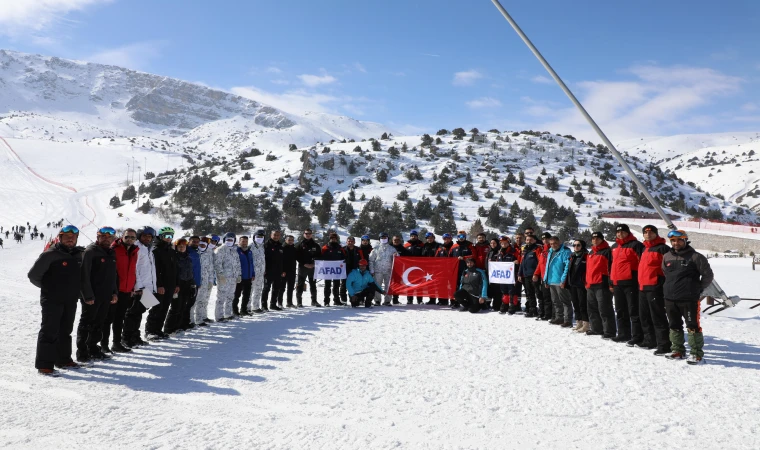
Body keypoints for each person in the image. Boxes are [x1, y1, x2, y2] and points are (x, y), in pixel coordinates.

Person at [28, 225, 84, 375]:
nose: (70, 239)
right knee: (50, 330)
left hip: (71, 299)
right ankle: (45, 364)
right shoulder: (50, 254)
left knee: (65, 330)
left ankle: (63, 359)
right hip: (52, 299)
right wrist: (49, 288)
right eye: (66, 237)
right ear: (60, 238)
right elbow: (33, 276)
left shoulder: (78, 255)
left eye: (73, 237)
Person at [662, 230, 713, 364]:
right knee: (674, 325)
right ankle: (678, 350)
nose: (676, 243)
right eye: (673, 241)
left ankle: (696, 354)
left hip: (689, 299)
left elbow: (708, 276)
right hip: (670, 298)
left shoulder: (696, 257)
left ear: (685, 240)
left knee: (692, 325)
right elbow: (665, 273)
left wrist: (698, 288)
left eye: (679, 240)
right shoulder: (667, 256)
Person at [77, 226, 118, 361]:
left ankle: (93, 348)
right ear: (98, 237)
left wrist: (114, 292)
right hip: (92, 296)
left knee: (99, 323)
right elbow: (84, 275)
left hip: (105, 295)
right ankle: (82, 352)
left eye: (109, 237)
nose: (106, 239)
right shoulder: (91, 251)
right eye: (103, 236)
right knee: (87, 323)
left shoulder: (111, 252)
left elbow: (113, 276)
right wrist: (87, 295)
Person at [102, 229, 139, 353]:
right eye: (127, 237)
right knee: (108, 319)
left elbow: (133, 271)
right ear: (122, 237)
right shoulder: (114, 249)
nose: (130, 239)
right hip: (114, 290)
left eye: (132, 238)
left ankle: (116, 343)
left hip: (127, 290)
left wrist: (133, 288)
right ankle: (104, 345)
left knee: (120, 318)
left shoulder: (134, 251)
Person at [637, 225, 671, 354]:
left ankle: (664, 344)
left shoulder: (663, 248)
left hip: (655, 287)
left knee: (658, 316)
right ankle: (649, 340)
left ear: (656, 234)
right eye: (645, 232)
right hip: (642, 286)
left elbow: (668, 269)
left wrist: (662, 284)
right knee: (644, 316)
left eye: (651, 232)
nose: (648, 234)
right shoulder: (645, 249)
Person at [610, 224, 645, 345]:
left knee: (633, 311)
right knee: (620, 310)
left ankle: (637, 336)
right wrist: (611, 282)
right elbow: (611, 265)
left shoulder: (636, 245)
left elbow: (642, 263)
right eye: (618, 232)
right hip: (617, 282)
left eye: (622, 232)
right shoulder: (614, 247)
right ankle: (623, 334)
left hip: (631, 282)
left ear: (628, 232)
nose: (620, 234)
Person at [122, 227, 156, 347]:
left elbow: (151, 270)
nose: (147, 238)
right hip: (139, 288)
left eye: (149, 237)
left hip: (147, 286)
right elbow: (134, 269)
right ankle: (126, 338)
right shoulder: (137, 248)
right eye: (145, 236)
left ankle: (135, 336)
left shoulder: (148, 249)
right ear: (140, 236)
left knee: (139, 312)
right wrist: (138, 287)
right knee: (132, 313)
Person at [144, 227, 179, 340]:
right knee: (156, 308)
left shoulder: (172, 251)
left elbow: (175, 269)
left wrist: (176, 284)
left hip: (170, 284)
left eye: (170, 236)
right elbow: (155, 270)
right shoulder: (156, 250)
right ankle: (150, 331)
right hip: (160, 285)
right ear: (160, 236)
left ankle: (158, 330)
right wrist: (159, 285)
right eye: (166, 235)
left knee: (165, 308)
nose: (169, 238)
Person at [585, 231, 616, 339]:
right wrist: (586, 282)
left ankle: (609, 331)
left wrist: (610, 283)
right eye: (593, 239)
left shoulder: (607, 251)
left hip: (602, 284)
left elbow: (611, 268)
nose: (595, 240)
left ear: (602, 239)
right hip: (590, 284)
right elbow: (588, 269)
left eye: (597, 238)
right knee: (592, 309)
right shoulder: (590, 253)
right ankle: (596, 328)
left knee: (604, 309)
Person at [165, 238, 194, 334]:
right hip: (177, 284)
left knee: (183, 306)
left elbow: (190, 271)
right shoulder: (174, 257)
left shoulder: (188, 257)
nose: (182, 248)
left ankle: (179, 325)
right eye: (180, 246)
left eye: (183, 246)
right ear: (176, 247)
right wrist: (175, 284)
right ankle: (169, 328)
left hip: (187, 283)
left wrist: (192, 283)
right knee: (175, 307)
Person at [544, 236, 571, 327]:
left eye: (555, 243)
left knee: (565, 301)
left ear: (559, 242)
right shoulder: (550, 252)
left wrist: (563, 280)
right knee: (555, 301)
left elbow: (567, 267)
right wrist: (546, 280)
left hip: (560, 281)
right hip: (551, 280)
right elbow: (547, 267)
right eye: (551, 244)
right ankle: (559, 318)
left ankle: (568, 320)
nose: (553, 245)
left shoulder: (565, 252)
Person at [214, 232, 242, 322]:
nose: (230, 241)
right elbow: (217, 264)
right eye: (228, 239)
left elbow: (238, 264)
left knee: (230, 296)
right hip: (224, 278)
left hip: (233, 278)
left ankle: (228, 314)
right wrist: (220, 275)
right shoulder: (220, 250)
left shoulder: (234, 250)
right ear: (224, 240)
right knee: (221, 297)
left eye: (231, 240)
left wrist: (238, 275)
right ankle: (219, 316)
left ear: (234, 241)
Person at [368, 232, 398, 306]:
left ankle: (387, 301)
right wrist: (371, 269)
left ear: (388, 239)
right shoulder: (376, 248)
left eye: (385, 238)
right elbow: (371, 260)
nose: (384, 239)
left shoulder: (392, 249)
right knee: (378, 285)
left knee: (388, 286)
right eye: (382, 238)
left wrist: (396, 255)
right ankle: (377, 301)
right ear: (379, 239)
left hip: (388, 271)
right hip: (378, 271)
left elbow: (398, 259)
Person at [191, 237, 215, 326]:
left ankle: (200, 319)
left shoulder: (207, 254)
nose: (202, 246)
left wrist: (210, 280)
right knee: (193, 301)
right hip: (195, 281)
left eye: (204, 245)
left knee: (202, 300)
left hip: (205, 282)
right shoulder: (194, 253)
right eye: (200, 244)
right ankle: (191, 320)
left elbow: (210, 268)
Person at [567, 239, 589, 333]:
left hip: (581, 284)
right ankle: (578, 322)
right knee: (575, 303)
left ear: (582, 246)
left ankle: (586, 324)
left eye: (578, 245)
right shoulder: (572, 256)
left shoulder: (586, 256)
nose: (576, 247)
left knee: (582, 304)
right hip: (572, 284)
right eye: (574, 245)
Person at [517, 233, 542, 317]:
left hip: (535, 276)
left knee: (539, 293)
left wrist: (537, 274)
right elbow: (522, 262)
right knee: (529, 294)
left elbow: (540, 263)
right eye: (527, 240)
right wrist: (520, 274)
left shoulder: (537, 249)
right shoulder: (525, 250)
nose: (529, 241)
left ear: (534, 240)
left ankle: (542, 311)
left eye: (531, 240)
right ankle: (532, 310)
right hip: (526, 275)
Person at [296, 229, 322, 307]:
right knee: (300, 285)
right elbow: (297, 256)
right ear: (304, 234)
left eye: (309, 233)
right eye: (306, 233)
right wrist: (304, 264)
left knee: (313, 285)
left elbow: (319, 256)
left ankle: (314, 301)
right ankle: (299, 302)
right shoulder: (299, 244)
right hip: (303, 268)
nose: (308, 235)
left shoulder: (316, 245)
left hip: (313, 268)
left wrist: (314, 263)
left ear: (311, 234)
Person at [449, 231, 475, 309]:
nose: (461, 238)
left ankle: (466, 302)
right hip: (455, 270)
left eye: (463, 236)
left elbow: (474, 255)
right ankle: (454, 302)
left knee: (466, 286)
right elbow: (449, 258)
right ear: (457, 237)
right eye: (460, 236)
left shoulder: (469, 245)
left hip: (467, 269)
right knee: (454, 286)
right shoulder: (454, 246)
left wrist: (464, 258)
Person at [494, 236, 520, 314]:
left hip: (512, 275)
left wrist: (517, 261)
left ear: (509, 243)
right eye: (502, 243)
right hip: (503, 276)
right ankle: (505, 304)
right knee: (504, 290)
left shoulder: (514, 251)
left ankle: (512, 305)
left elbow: (520, 259)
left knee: (512, 290)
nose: (504, 244)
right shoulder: (499, 252)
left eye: (505, 243)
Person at [181, 236, 202, 329]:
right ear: (189, 242)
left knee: (191, 303)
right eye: (193, 241)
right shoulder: (187, 251)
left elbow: (198, 269)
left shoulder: (197, 252)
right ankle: (182, 323)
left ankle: (187, 322)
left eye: (197, 242)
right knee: (185, 303)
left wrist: (199, 282)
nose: (195, 243)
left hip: (196, 282)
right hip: (188, 281)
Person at [321, 232, 346, 306]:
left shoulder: (340, 248)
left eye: (335, 239)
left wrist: (344, 262)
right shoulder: (325, 247)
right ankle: (326, 301)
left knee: (336, 285)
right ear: (330, 239)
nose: (333, 240)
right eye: (332, 239)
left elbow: (344, 257)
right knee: (327, 285)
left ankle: (336, 300)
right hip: (328, 269)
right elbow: (320, 257)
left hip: (337, 270)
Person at [262, 230, 285, 310]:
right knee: (266, 288)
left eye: (278, 235)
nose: (276, 237)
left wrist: (282, 270)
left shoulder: (280, 246)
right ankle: (264, 305)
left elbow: (282, 260)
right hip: (268, 271)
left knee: (276, 289)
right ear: (271, 235)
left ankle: (273, 304)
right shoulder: (266, 245)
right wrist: (264, 269)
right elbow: (263, 259)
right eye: (274, 235)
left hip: (278, 271)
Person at [340, 236, 364, 306]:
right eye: (349, 241)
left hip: (355, 270)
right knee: (344, 284)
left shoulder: (358, 250)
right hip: (345, 270)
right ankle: (343, 300)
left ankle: (358, 299)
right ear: (346, 242)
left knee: (356, 285)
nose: (350, 243)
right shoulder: (343, 249)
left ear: (354, 242)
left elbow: (362, 259)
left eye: (352, 241)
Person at [234, 235, 254, 315]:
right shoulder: (236, 251)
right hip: (239, 277)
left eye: (246, 241)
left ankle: (243, 310)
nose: (244, 243)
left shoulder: (249, 251)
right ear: (239, 242)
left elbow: (251, 263)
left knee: (246, 295)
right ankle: (235, 310)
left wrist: (253, 273)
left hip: (248, 277)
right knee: (237, 295)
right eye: (243, 241)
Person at [536, 231, 553, 321]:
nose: (545, 240)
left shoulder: (552, 250)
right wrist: (536, 273)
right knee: (545, 296)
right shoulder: (543, 251)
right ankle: (547, 313)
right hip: (543, 277)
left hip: (551, 277)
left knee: (551, 297)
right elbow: (540, 264)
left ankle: (551, 314)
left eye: (547, 238)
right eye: (543, 239)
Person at [435, 233, 455, 306]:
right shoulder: (440, 248)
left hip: (453, 270)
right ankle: (443, 300)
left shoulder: (454, 247)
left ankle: (453, 301)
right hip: (442, 270)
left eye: (448, 238)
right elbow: (436, 259)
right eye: (445, 239)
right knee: (442, 286)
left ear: (451, 239)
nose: (446, 240)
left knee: (453, 286)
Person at [421, 232, 441, 305]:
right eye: (428, 238)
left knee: (438, 284)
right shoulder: (424, 246)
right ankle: (432, 299)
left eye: (431, 238)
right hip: (427, 268)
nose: (430, 239)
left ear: (433, 238)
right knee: (430, 283)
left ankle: (441, 300)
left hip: (436, 267)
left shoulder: (438, 245)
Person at [278, 235, 298, 308]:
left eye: (292, 240)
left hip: (292, 271)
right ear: (286, 240)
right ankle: (279, 302)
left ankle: (289, 302)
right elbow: (280, 261)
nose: (290, 241)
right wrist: (282, 270)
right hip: (284, 271)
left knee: (290, 288)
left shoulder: (294, 249)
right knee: (282, 288)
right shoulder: (282, 248)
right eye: (289, 240)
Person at [251, 230, 267, 312]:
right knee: (250, 290)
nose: (260, 238)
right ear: (254, 237)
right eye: (258, 237)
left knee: (258, 290)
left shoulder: (262, 247)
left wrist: (264, 269)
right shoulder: (250, 247)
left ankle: (255, 307)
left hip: (261, 273)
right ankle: (247, 307)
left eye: (261, 237)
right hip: (252, 273)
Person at [390, 235, 408, 305]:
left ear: (400, 241)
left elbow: (409, 257)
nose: (396, 241)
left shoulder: (403, 249)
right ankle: (387, 300)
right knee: (388, 284)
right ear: (392, 240)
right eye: (395, 240)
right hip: (388, 268)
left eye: (398, 240)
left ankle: (395, 299)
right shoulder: (389, 248)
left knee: (397, 284)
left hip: (398, 270)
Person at [486, 238, 501, 309]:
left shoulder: (499, 251)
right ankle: (488, 303)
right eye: (491, 243)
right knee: (489, 289)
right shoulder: (490, 252)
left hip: (497, 275)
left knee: (497, 290)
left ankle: (497, 305)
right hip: (489, 274)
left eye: (494, 243)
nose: (492, 244)